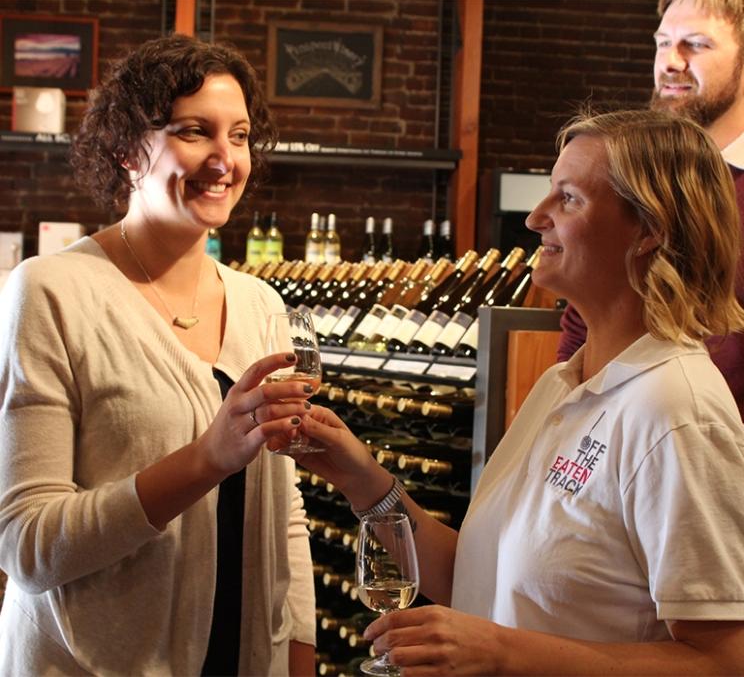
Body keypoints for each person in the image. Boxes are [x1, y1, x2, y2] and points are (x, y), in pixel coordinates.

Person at [295, 109, 744, 674]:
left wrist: (504, 653)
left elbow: (723, 662)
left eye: (568, 199)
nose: (535, 218)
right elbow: (478, 578)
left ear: (649, 229)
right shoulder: (563, 386)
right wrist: (360, 480)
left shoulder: (677, 413)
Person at [0, 35, 316, 676]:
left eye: (241, 135)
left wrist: (298, 651)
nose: (225, 159)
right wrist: (206, 459)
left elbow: (281, 511)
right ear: (126, 151)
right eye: (195, 131)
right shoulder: (50, 291)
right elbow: (27, 544)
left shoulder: (261, 305)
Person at [558, 0, 744, 419]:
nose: (672, 62)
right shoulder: (632, 174)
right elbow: (585, 320)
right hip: (608, 443)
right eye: (663, 43)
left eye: (695, 45)